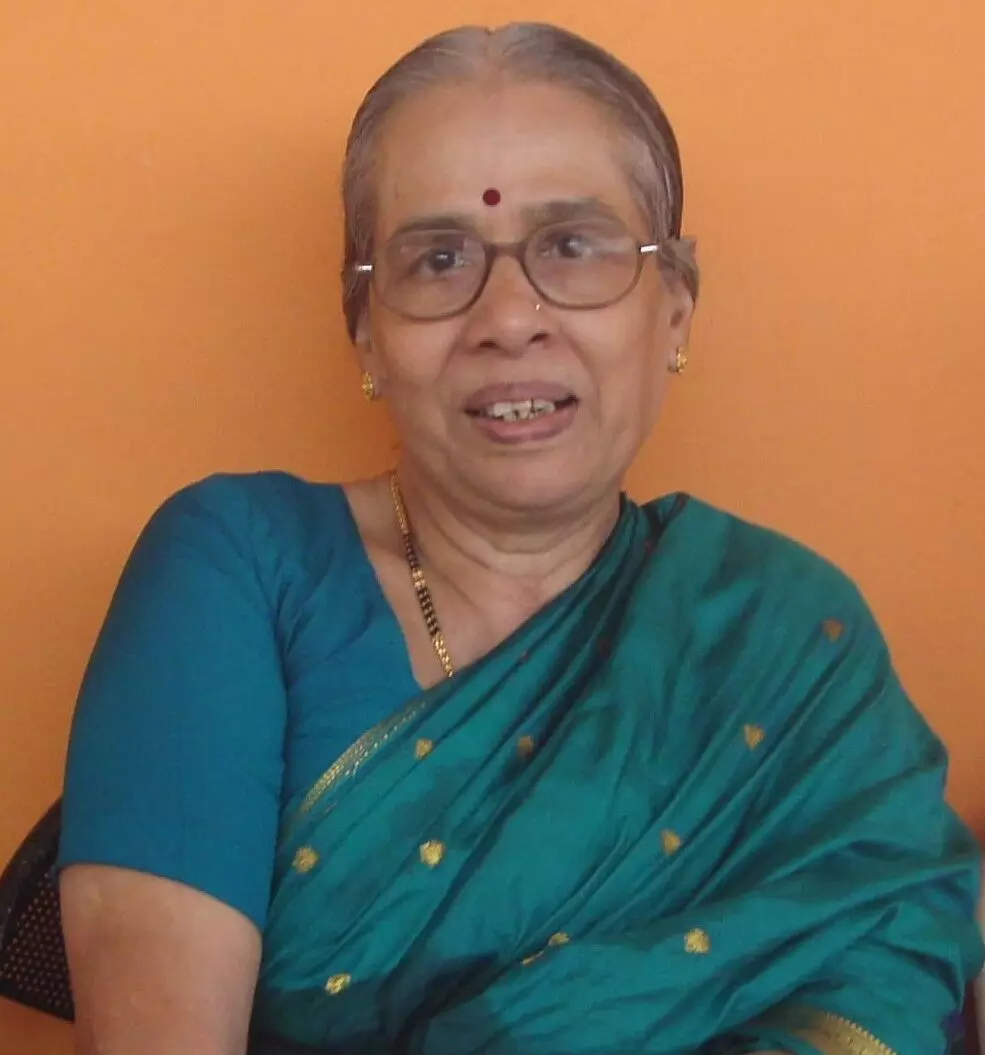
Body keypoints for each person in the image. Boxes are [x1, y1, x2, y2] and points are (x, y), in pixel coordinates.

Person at [56, 21, 981, 1055]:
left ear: (676, 309)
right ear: (365, 330)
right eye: (438, 258)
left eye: (572, 246)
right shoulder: (241, 569)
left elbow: (884, 966)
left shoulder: (784, 639)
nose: (508, 317)